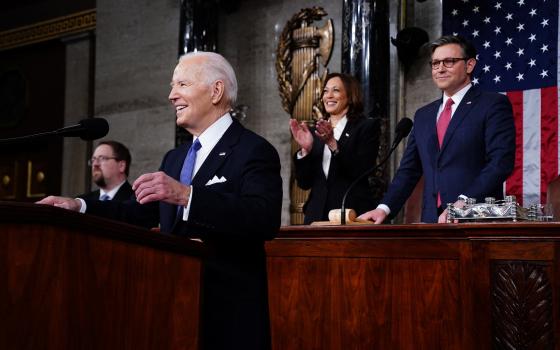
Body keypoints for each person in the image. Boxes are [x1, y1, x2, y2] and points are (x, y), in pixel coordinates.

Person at [37, 51, 283, 350]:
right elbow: (136, 213)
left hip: (227, 315)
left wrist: (187, 195)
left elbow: (263, 218)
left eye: (182, 84)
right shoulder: (175, 157)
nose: (171, 95)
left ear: (216, 91)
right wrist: (80, 206)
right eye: (171, 85)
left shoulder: (253, 150)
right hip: (173, 310)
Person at [359, 35, 515, 224]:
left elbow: (500, 163)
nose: (440, 68)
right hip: (432, 222)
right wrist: (384, 208)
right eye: (435, 63)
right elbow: (409, 170)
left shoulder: (492, 104)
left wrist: (464, 203)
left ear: (470, 65)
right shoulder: (424, 115)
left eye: (449, 62)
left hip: (476, 220)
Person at [289, 73, 380, 224]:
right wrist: (305, 151)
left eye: (336, 90)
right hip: (316, 216)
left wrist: (332, 143)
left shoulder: (366, 127)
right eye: (325, 91)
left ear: (350, 96)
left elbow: (362, 170)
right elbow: (304, 183)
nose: (328, 96)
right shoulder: (315, 132)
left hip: (351, 214)